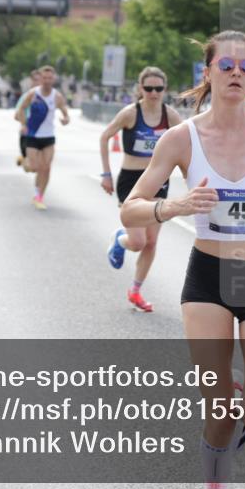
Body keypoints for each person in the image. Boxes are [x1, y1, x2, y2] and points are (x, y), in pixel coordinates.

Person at [120, 31, 245, 489]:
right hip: (207, 278)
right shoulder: (182, 138)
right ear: (208, 73)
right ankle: (216, 487)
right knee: (218, 413)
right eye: (227, 66)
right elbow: (130, 208)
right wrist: (174, 207)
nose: (237, 73)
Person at [101, 67, 184, 312]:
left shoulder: (171, 116)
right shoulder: (129, 114)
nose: (154, 93)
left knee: (151, 242)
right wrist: (106, 173)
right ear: (140, 89)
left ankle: (135, 290)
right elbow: (105, 136)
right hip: (131, 180)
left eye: (159, 88)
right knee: (137, 242)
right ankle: (120, 240)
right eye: (148, 88)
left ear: (165, 90)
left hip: (158, 181)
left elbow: (191, 141)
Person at [15, 65, 70, 210]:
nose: (47, 80)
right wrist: (23, 124)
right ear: (41, 78)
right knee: (34, 167)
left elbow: (65, 112)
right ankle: (25, 160)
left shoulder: (57, 96)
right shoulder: (33, 94)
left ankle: (39, 196)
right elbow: (21, 109)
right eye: (44, 78)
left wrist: (65, 119)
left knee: (46, 168)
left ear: (54, 79)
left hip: (48, 137)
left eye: (50, 78)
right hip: (33, 136)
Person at [14, 70, 41, 171]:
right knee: (30, 167)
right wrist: (24, 124)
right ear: (31, 81)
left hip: (42, 134)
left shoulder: (48, 96)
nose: (38, 83)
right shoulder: (26, 96)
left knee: (42, 166)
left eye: (40, 80)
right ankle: (24, 159)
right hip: (27, 134)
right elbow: (16, 115)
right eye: (35, 80)